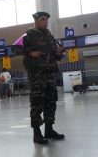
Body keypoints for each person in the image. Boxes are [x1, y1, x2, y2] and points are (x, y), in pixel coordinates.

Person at [22, 11, 65, 144]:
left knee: (50, 103)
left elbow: (55, 56)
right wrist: (30, 52)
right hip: (37, 76)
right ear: (36, 20)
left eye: (46, 19)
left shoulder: (50, 36)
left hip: (50, 75)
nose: (46, 21)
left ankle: (49, 130)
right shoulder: (28, 35)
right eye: (43, 19)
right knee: (37, 104)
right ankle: (37, 133)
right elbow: (15, 49)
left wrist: (59, 53)